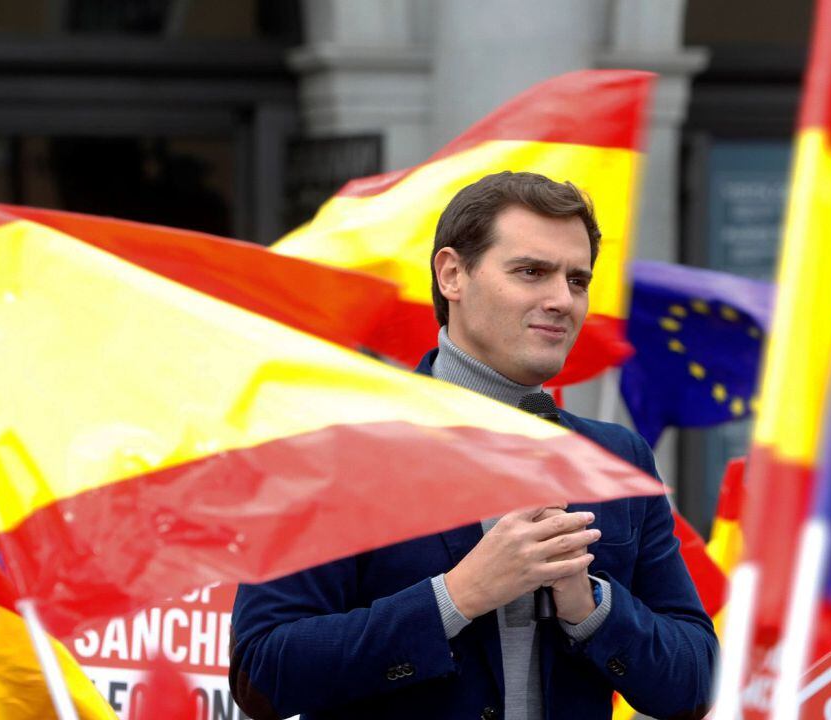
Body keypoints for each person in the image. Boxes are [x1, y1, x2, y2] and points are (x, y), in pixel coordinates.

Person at [230, 171, 718, 720]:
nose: (562, 300)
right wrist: (457, 596)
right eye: (532, 272)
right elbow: (263, 677)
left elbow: (695, 684)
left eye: (577, 280)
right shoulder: (332, 447)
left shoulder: (616, 456)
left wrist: (592, 607)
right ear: (453, 274)